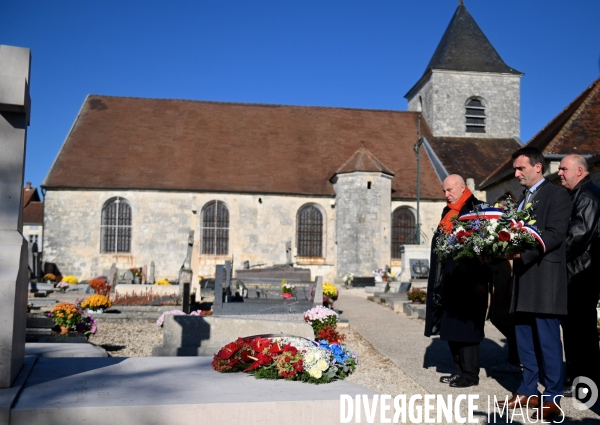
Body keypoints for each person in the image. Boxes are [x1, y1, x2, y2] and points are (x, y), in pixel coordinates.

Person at [498, 147, 572, 421]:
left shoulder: (556, 195)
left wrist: (522, 253)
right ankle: (528, 389)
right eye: (515, 169)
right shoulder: (521, 199)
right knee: (524, 338)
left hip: (545, 278)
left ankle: (552, 397)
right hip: (524, 277)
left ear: (538, 167)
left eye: (521, 169)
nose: (516, 174)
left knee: (548, 341)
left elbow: (555, 234)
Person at [425, 174, 490, 388]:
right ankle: (458, 371)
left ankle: (470, 375)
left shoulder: (479, 209)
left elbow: (486, 248)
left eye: (450, 190)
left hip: (470, 281)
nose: (447, 194)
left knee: (468, 329)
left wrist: (482, 280)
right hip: (449, 280)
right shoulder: (448, 211)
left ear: (463, 188)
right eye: (444, 191)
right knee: (451, 327)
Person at [558, 154, 600, 396]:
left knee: (581, 330)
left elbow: (578, 235)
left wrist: (550, 258)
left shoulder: (587, 196)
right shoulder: (578, 194)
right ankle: (579, 378)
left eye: (564, 169)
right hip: (577, 272)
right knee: (576, 329)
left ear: (580, 171)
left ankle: (585, 382)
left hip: (582, 273)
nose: (560, 173)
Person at [489, 191, 520, 375]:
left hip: (509, 275)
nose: (499, 211)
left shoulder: (516, 227)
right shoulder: (496, 225)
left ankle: (515, 360)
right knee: (498, 317)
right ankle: (516, 357)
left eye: (502, 208)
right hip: (499, 274)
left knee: (508, 319)